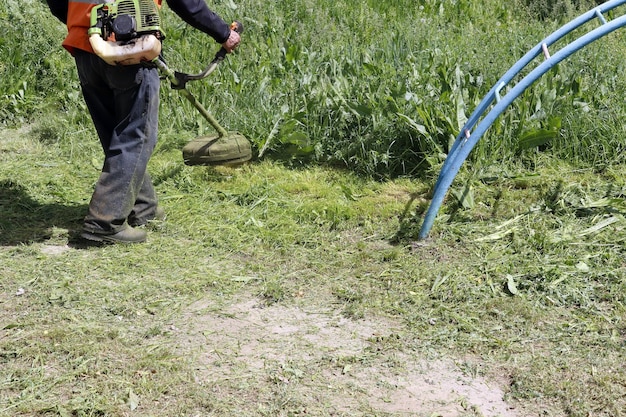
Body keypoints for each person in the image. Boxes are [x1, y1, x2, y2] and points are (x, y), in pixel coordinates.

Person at [45, 0, 240, 244]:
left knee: (115, 132)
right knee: (135, 135)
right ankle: (103, 223)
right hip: (130, 47)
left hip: (86, 48)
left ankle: (142, 207)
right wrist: (223, 32)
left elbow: (56, 2)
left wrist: (87, 24)